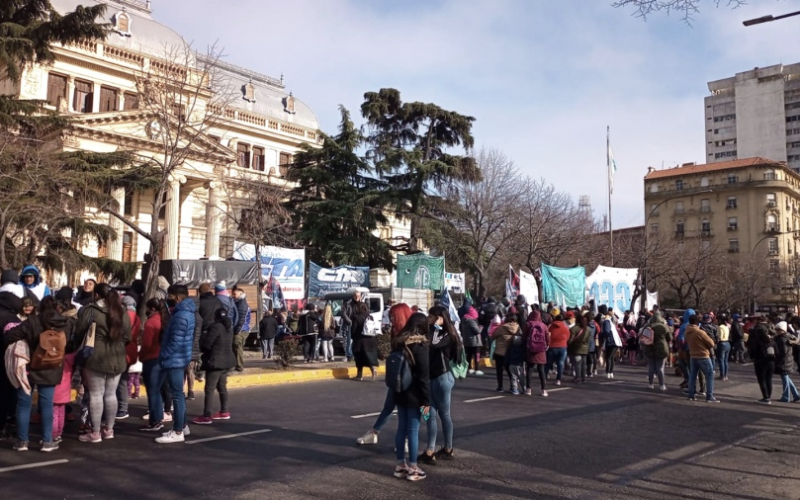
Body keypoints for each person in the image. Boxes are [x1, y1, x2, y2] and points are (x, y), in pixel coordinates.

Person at [5, 296, 72, 452]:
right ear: (57, 308)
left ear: (40, 308)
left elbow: (10, 336)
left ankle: (22, 441)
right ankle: (47, 441)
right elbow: (69, 344)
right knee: (47, 405)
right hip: (52, 367)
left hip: (30, 365)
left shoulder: (32, 321)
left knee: (23, 405)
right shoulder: (65, 323)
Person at [75, 283, 131, 443]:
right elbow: (128, 336)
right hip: (118, 358)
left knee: (96, 394)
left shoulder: (92, 310)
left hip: (95, 357)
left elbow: (80, 331)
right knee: (111, 394)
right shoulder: (122, 311)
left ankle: (95, 432)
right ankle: (109, 430)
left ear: (97, 295)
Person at [356, 303, 413, 446]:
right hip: (396, 376)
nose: (391, 319)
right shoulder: (396, 331)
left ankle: (407, 441)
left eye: (393, 316)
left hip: (408, 377)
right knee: (389, 405)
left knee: (408, 411)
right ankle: (374, 433)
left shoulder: (411, 335)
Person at [390, 313, 431, 482]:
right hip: (415, 394)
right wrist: (426, 401)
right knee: (413, 430)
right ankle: (413, 468)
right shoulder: (420, 347)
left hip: (399, 391)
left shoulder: (398, 343)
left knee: (402, 428)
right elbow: (423, 377)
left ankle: (400, 465)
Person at [418, 305, 460, 465]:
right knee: (431, 415)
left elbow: (434, 344)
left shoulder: (447, 334)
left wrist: (436, 327)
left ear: (440, 318)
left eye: (431, 317)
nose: (428, 319)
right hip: (433, 378)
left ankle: (443, 449)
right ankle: (434, 450)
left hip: (442, 378)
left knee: (441, 415)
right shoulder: (432, 331)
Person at [155, 284, 196, 444]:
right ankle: (183, 426)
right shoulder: (185, 312)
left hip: (174, 359)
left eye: (170, 296)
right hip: (179, 358)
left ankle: (178, 431)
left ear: (177, 297)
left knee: (177, 396)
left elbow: (175, 342)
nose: (168, 299)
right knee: (179, 394)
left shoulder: (180, 315)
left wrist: (163, 355)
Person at [193, 308, 235, 424]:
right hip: (226, 362)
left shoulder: (215, 327)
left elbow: (207, 345)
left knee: (209, 389)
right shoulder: (229, 328)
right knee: (222, 388)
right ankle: (224, 411)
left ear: (216, 316)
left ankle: (207, 415)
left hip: (215, 362)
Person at [139, 298, 169, 432]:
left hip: (152, 360)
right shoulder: (165, 320)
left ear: (151, 308)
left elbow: (146, 344)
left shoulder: (151, 322)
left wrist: (141, 356)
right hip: (163, 359)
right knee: (157, 391)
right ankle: (158, 419)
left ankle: (155, 421)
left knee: (153, 392)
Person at [115, 295, 140, 420]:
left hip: (123, 351)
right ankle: (121, 407)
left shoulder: (126, 316)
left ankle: (122, 408)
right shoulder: (137, 317)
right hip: (131, 350)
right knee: (123, 380)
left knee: (121, 381)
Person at [685, 314, 719, 403]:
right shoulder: (700, 332)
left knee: (692, 376)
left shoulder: (687, 331)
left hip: (693, 355)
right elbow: (711, 343)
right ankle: (709, 396)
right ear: (697, 322)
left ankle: (691, 395)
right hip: (703, 355)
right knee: (709, 375)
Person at [748, 317, 777, 404]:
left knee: (762, 379)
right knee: (769, 379)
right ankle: (769, 396)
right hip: (771, 361)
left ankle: (766, 397)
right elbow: (777, 352)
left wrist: (752, 357)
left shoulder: (757, 341)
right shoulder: (771, 341)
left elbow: (752, 350)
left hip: (760, 361)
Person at [491, 311, 519, 392]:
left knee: (499, 370)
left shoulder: (502, 328)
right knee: (510, 371)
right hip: (511, 352)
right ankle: (512, 386)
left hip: (500, 352)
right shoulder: (518, 328)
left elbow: (493, 336)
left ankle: (500, 387)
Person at [524, 309, 550, 396]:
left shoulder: (528, 324)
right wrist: (547, 345)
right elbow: (547, 337)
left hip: (530, 349)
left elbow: (524, 336)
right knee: (541, 370)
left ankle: (528, 389)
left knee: (529, 369)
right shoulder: (544, 325)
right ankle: (543, 389)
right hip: (541, 349)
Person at [774, 321, 800, 403]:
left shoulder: (782, 339)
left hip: (783, 361)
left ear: (783, 330)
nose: (777, 331)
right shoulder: (788, 337)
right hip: (787, 360)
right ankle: (796, 395)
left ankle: (786, 396)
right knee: (786, 378)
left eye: (779, 330)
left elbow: (783, 352)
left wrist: (776, 357)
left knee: (785, 378)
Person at [351, 300, 378, 380]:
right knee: (368, 356)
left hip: (360, 340)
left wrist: (353, 337)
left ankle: (359, 376)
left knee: (359, 357)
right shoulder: (370, 317)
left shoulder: (356, 317)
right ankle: (372, 367)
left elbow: (354, 330)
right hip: (371, 340)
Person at [644, 312, 670, 391]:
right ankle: (662, 385)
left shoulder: (648, 326)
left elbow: (643, 335)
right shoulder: (664, 327)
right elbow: (670, 338)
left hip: (649, 347)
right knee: (660, 368)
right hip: (661, 347)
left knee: (651, 367)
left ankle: (650, 384)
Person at [546, 309, 570, 385]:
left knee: (548, 363)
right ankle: (558, 379)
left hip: (552, 347)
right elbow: (568, 337)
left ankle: (545, 377)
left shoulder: (551, 326)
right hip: (562, 347)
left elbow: (548, 335)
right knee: (560, 363)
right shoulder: (565, 327)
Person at [567, 312, 592, 384]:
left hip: (576, 349)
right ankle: (583, 378)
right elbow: (588, 340)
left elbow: (570, 339)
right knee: (583, 364)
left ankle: (578, 378)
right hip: (585, 349)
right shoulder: (588, 329)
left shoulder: (573, 329)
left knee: (577, 364)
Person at [459, 303, 483, 375]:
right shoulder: (471, 320)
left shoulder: (464, 319)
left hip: (467, 340)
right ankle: (477, 369)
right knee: (476, 355)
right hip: (474, 341)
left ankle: (469, 368)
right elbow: (477, 331)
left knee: (469, 355)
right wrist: (481, 328)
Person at [599, 305, 622, 379]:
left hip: (611, 341)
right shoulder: (610, 321)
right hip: (616, 341)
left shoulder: (606, 321)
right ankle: (610, 372)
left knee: (608, 357)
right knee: (611, 357)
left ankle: (608, 372)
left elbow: (606, 331)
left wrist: (600, 334)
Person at [232, 285, 251, 371]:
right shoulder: (238, 303)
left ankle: (239, 366)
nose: (233, 296)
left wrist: (236, 331)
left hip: (241, 330)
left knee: (237, 347)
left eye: (234, 294)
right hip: (241, 330)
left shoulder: (242, 305)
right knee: (236, 348)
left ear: (240, 294)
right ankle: (236, 365)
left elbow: (241, 320)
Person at [341, 290, 361, 362]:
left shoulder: (361, 304)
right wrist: (349, 321)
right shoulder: (347, 304)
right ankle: (349, 355)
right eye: (355, 296)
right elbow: (343, 314)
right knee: (349, 341)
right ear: (353, 296)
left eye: (358, 296)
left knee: (357, 341)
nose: (357, 297)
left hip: (358, 325)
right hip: (349, 325)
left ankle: (356, 355)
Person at [716, 314, 731, 381]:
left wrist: (717, 338)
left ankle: (722, 375)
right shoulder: (726, 327)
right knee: (725, 361)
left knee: (721, 360)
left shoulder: (720, 327)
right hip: (727, 343)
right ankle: (726, 375)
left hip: (722, 343)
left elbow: (721, 337)